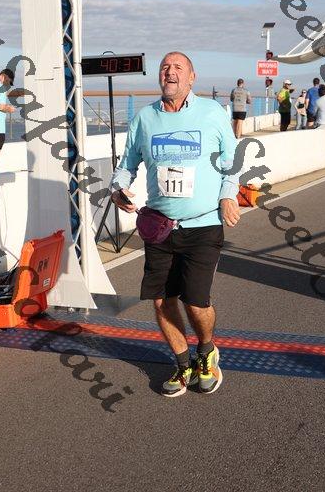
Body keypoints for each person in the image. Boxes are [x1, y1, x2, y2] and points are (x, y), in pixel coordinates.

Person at [111, 52, 240, 398]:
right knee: (162, 302)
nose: (170, 72)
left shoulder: (212, 112)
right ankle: (183, 364)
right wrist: (116, 188)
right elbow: (126, 165)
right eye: (165, 68)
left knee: (195, 302)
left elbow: (231, 161)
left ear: (191, 77)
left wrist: (228, 195)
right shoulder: (144, 118)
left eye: (177, 68)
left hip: (203, 225)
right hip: (160, 227)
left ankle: (206, 351)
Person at [0, 69, 16, 174]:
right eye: (8, 81)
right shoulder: (0, 88)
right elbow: (1, 107)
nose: (8, 85)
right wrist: (9, 109)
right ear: (2, 76)